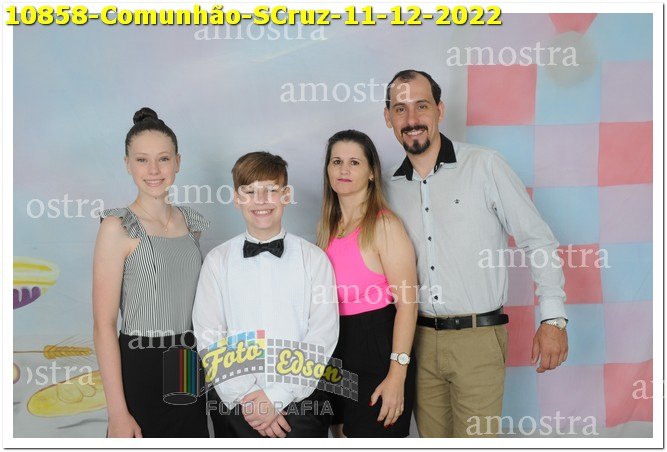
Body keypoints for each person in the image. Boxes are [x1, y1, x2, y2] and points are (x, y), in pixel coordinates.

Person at [382, 69, 569, 438]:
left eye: (422, 106)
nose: (412, 119)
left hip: (478, 339)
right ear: (388, 117)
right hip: (416, 342)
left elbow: (537, 239)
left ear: (439, 109)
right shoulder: (386, 185)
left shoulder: (485, 165)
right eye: (400, 109)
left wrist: (553, 319)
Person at [192, 151, 339, 438]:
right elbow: (210, 335)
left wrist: (277, 396)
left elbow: (322, 335)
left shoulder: (313, 259)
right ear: (237, 199)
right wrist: (249, 397)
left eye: (271, 190)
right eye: (250, 192)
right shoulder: (217, 261)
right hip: (236, 406)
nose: (260, 200)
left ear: (286, 195)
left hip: (301, 403)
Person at [92, 107, 210, 438]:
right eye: (142, 160)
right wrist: (117, 412)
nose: (154, 170)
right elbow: (103, 325)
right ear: (127, 164)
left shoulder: (191, 223)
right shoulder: (117, 227)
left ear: (178, 162)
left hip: (186, 360)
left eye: (163, 159)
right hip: (139, 362)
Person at [317, 130, 419, 438]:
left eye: (354, 162)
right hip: (335, 349)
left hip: (377, 350)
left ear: (372, 172)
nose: (344, 169)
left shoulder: (384, 225)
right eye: (337, 161)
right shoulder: (328, 227)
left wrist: (397, 375)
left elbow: (408, 305)